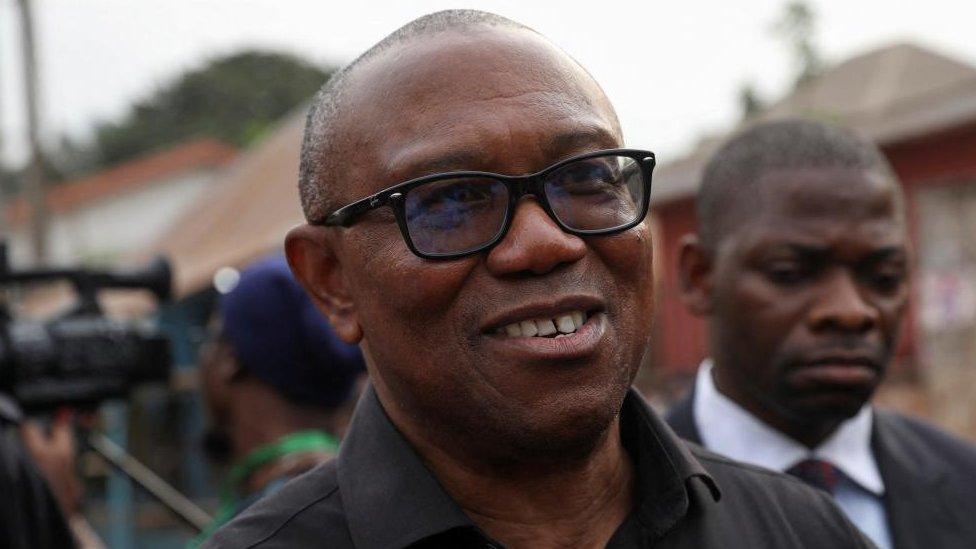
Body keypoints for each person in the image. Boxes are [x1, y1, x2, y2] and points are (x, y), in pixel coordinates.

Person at [207, 11, 873, 548]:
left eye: (586, 178)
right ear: (331, 281)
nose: (544, 242)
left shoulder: (803, 531)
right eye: (450, 200)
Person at [668, 119, 976, 549]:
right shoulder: (619, 503)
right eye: (790, 273)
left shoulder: (966, 484)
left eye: (884, 277)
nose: (851, 311)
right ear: (700, 276)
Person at [194, 254, 365, 544]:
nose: (202, 358)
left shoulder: (274, 526)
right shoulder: (355, 492)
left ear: (230, 361)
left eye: (208, 339)